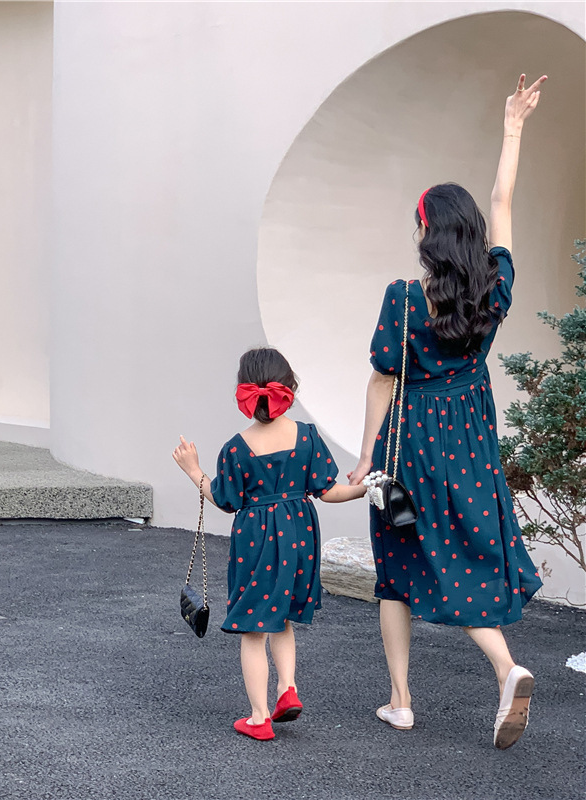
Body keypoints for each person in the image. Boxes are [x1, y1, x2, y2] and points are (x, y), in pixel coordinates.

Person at [348, 74, 547, 750]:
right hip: (471, 437)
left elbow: (383, 380)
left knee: (398, 564)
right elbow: (502, 199)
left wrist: (367, 455)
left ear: (426, 234)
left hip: (411, 444)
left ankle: (417, 696)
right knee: (461, 554)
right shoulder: (494, 286)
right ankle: (494, 671)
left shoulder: (404, 298)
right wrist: (513, 128)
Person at [173, 347, 365, 740]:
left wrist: (193, 470)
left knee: (253, 628)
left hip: (256, 539)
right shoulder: (307, 437)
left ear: (243, 392)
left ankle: (259, 718)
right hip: (299, 533)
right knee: (281, 617)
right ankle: (287, 688)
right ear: (289, 386)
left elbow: (225, 500)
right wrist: (364, 489)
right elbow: (328, 491)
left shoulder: (236, 448)